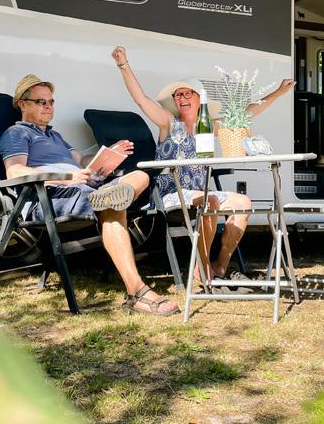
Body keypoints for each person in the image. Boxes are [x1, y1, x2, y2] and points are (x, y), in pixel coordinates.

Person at [0, 74, 179, 317]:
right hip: (52, 195)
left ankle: (109, 197)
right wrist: (67, 178)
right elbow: (15, 171)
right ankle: (136, 291)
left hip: (84, 188)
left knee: (141, 175)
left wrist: (108, 155)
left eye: (51, 102)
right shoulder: (16, 133)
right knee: (113, 206)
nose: (49, 106)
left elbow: (82, 161)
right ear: (22, 104)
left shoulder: (54, 135)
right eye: (41, 102)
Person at [111, 46, 295, 284]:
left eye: (188, 94)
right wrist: (123, 65)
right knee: (211, 200)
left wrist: (278, 92)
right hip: (171, 194)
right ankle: (203, 265)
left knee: (243, 203)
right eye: (178, 95)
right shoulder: (169, 123)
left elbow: (247, 114)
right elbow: (141, 99)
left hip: (201, 193)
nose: (182, 98)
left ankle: (221, 265)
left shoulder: (208, 126)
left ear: (200, 99)